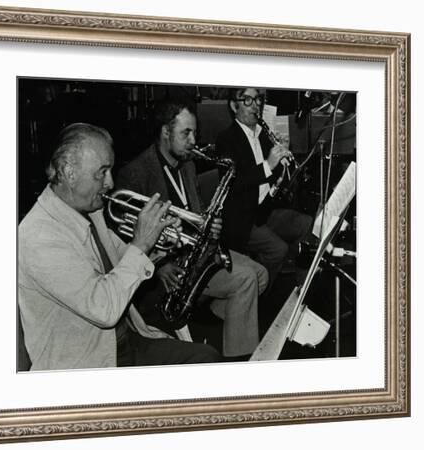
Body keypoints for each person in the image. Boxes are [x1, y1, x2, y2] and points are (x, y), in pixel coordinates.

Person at [18, 123, 220, 370]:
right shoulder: (40, 235)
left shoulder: (89, 212)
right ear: (69, 172)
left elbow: (124, 259)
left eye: (110, 170)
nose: (110, 182)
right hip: (86, 362)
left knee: (206, 358)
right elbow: (104, 309)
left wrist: (160, 243)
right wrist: (141, 242)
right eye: (101, 172)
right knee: (203, 364)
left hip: (125, 340)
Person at [116, 101, 268, 360]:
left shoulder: (186, 163)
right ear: (165, 132)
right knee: (245, 280)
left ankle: (210, 317)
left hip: (196, 252)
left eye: (194, 133)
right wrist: (160, 266)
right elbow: (121, 236)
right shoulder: (136, 173)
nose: (193, 140)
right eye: (186, 133)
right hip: (171, 265)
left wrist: (209, 222)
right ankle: (239, 360)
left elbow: (193, 211)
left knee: (261, 274)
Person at [216, 87, 313, 287]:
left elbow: (276, 178)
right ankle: (256, 289)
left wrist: (284, 156)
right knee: (278, 250)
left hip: (265, 211)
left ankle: (299, 289)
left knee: (306, 224)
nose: (256, 105)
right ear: (234, 106)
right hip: (242, 218)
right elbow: (234, 183)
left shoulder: (262, 135)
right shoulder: (226, 140)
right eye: (248, 100)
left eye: (258, 99)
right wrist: (268, 164)